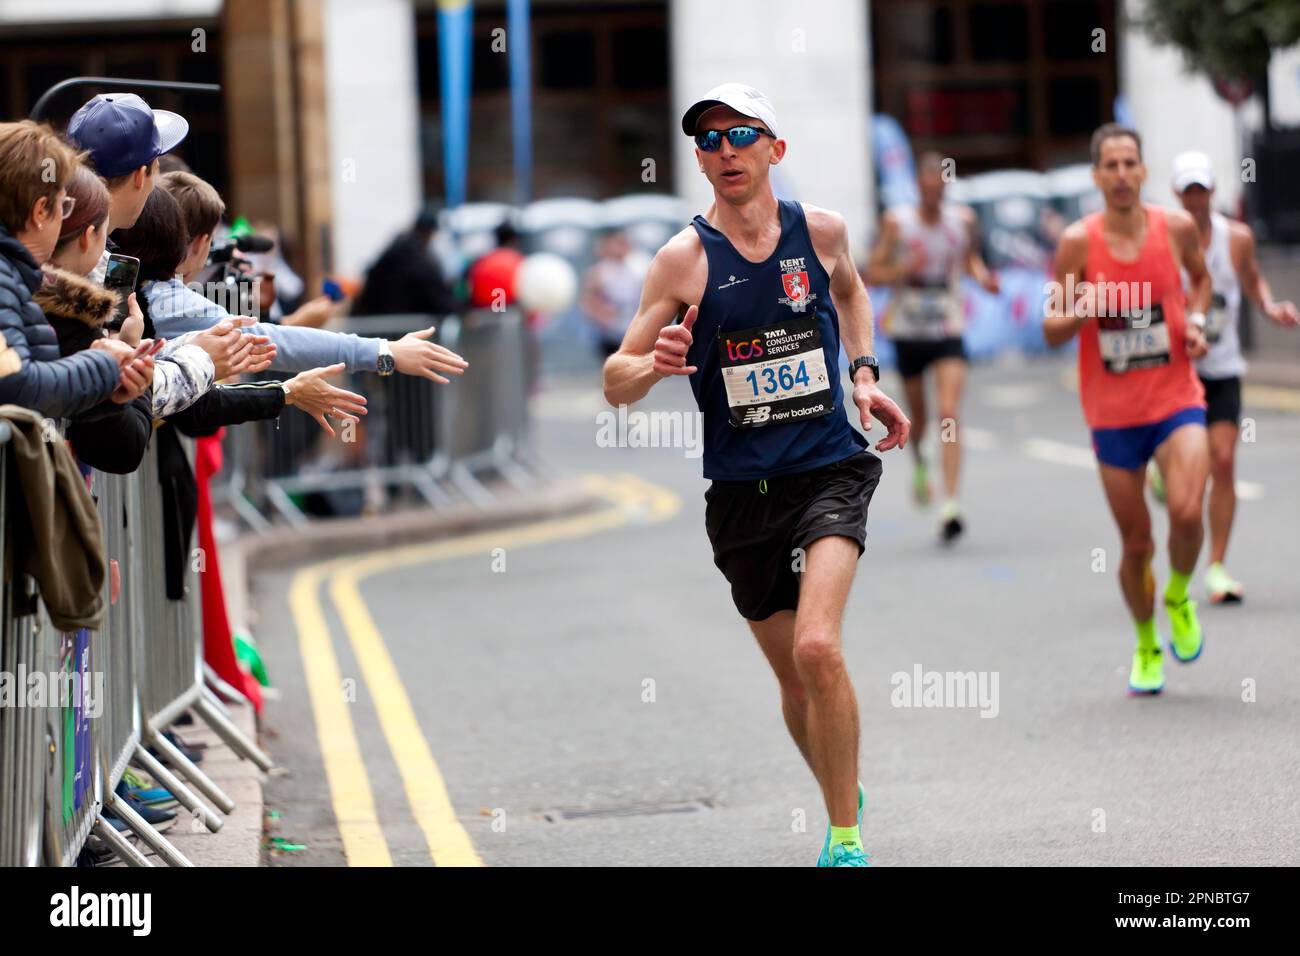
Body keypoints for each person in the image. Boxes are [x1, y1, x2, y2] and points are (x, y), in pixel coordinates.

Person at [602, 83, 909, 866]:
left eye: (742, 134)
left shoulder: (824, 232)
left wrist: (865, 371)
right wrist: (655, 364)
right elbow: (616, 377)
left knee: (817, 648)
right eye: (708, 140)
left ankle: (844, 836)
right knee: (795, 685)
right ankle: (844, 785)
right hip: (742, 497)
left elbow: (851, 293)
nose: (725, 150)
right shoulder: (683, 259)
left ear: (776, 149)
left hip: (830, 470)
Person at [1044, 123, 1211, 695]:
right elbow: (1050, 328)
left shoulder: (1178, 227)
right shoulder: (1077, 243)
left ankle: (1179, 592)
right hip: (1113, 414)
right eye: (1109, 165)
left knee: (1188, 511)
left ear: (1143, 171)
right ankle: (1145, 639)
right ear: (1096, 176)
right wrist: (1081, 310)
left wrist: (1196, 322)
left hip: (1176, 398)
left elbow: (1202, 282)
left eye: (1129, 164)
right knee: (1137, 543)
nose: (1120, 175)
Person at [1162, 150, 1300, 603]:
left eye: (1202, 191)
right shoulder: (1163, 238)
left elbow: (1252, 279)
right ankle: (1158, 474)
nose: (1195, 201)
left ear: (1212, 192)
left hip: (1220, 369)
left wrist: (1270, 305)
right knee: (1185, 479)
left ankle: (1216, 566)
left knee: (1222, 462)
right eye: (1188, 193)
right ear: (1176, 195)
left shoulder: (1235, 237)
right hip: (1173, 373)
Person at [864, 152, 999, 542]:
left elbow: (970, 259)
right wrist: (903, 269)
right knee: (919, 420)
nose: (933, 192)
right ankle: (921, 462)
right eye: (927, 186)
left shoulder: (963, 222)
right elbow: (873, 272)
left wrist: (984, 277)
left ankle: (951, 502)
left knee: (948, 412)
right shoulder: (897, 223)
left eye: (940, 186)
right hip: (908, 329)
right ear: (917, 186)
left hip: (947, 326)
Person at [0, 120, 144, 417]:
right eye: (62, 206)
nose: (62, 220)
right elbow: (16, 388)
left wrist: (111, 382)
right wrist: (102, 363)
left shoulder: (13, 276)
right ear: (41, 211)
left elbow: (38, 392)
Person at [353, 208, 459, 318]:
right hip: (396, 321)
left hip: (385, 317)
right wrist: (459, 309)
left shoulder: (400, 247)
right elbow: (433, 289)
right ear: (429, 232)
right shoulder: (412, 254)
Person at [581, 230, 641, 360]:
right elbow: (588, 301)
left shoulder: (636, 269)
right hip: (609, 333)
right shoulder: (600, 272)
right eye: (619, 244)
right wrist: (602, 316)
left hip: (630, 330)